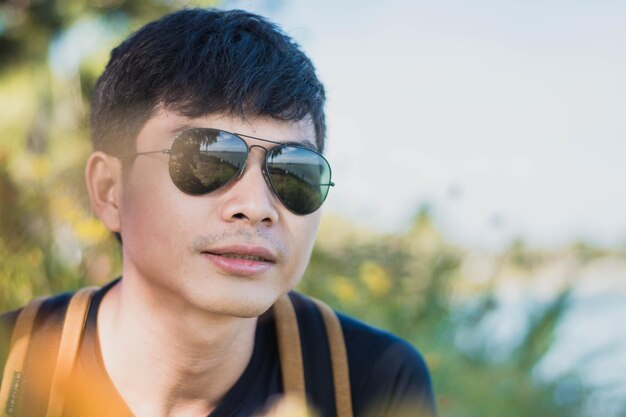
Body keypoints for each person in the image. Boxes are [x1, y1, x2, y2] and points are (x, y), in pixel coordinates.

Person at [0, 8, 436, 417]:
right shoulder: (10, 366)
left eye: (294, 171)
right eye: (205, 160)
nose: (255, 207)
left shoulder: (369, 382)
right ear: (110, 191)